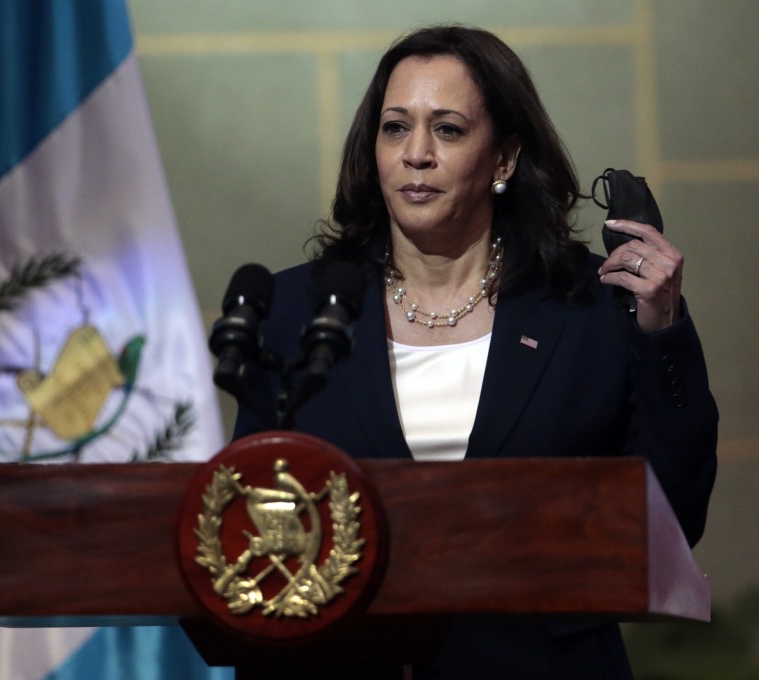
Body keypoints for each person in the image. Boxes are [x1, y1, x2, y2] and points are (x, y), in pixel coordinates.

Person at [232, 24, 717, 679]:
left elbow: (672, 518)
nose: (417, 154)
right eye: (396, 127)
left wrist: (659, 334)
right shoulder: (298, 310)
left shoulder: (587, 306)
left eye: (449, 130)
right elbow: (250, 521)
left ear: (506, 159)